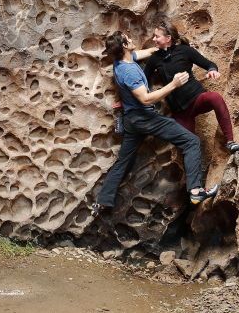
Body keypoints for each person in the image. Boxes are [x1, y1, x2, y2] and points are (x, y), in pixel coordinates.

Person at [92, 31, 218, 215]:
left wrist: (162, 46)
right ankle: (196, 191)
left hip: (131, 121)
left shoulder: (121, 62)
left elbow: (147, 53)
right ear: (125, 46)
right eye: (129, 38)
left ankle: (102, 201)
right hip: (145, 118)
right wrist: (173, 85)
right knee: (191, 141)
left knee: (123, 161)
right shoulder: (130, 71)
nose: (132, 38)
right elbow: (145, 99)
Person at [144, 20, 239, 153]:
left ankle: (230, 142)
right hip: (180, 111)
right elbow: (144, 81)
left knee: (215, 97)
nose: (154, 39)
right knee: (189, 148)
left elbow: (209, 64)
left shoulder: (185, 51)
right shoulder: (154, 59)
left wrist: (212, 70)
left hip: (196, 99)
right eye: (154, 36)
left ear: (168, 39)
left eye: (157, 36)